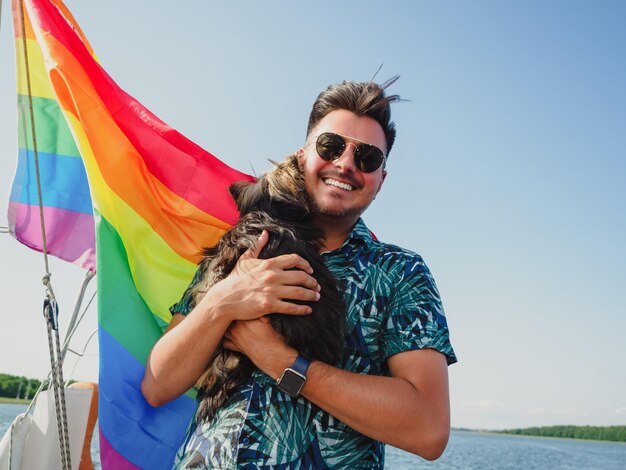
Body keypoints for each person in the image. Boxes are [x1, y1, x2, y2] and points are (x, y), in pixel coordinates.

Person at [141, 77, 457, 469]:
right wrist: (223, 301)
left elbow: (428, 429)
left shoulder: (400, 273)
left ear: (381, 180)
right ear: (303, 154)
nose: (345, 163)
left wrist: (280, 361)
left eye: (368, 157)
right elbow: (157, 385)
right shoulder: (242, 246)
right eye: (331, 146)